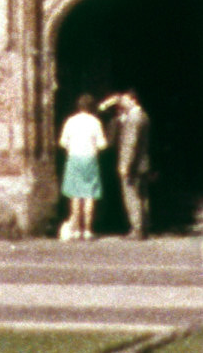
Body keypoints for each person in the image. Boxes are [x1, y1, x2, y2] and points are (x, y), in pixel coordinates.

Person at [56, 95, 107, 241]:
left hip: (74, 158)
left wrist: (72, 147)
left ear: (78, 106)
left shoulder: (71, 121)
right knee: (89, 195)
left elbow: (62, 142)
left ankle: (77, 230)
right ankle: (88, 230)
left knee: (75, 195)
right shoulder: (95, 122)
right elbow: (102, 144)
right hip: (90, 159)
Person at [107, 86, 153, 238]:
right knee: (142, 196)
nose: (122, 103)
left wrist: (125, 165)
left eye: (125, 100)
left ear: (133, 100)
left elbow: (130, 143)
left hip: (133, 165)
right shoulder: (143, 116)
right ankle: (144, 226)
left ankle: (137, 228)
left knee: (132, 196)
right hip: (143, 163)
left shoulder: (133, 118)